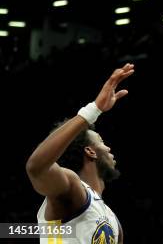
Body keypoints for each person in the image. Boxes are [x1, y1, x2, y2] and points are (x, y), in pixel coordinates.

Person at [26, 63, 134, 243]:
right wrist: (94, 109)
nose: (108, 148)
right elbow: (36, 168)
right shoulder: (72, 188)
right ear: (90, 151)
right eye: (101, 141)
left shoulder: (112, 220)